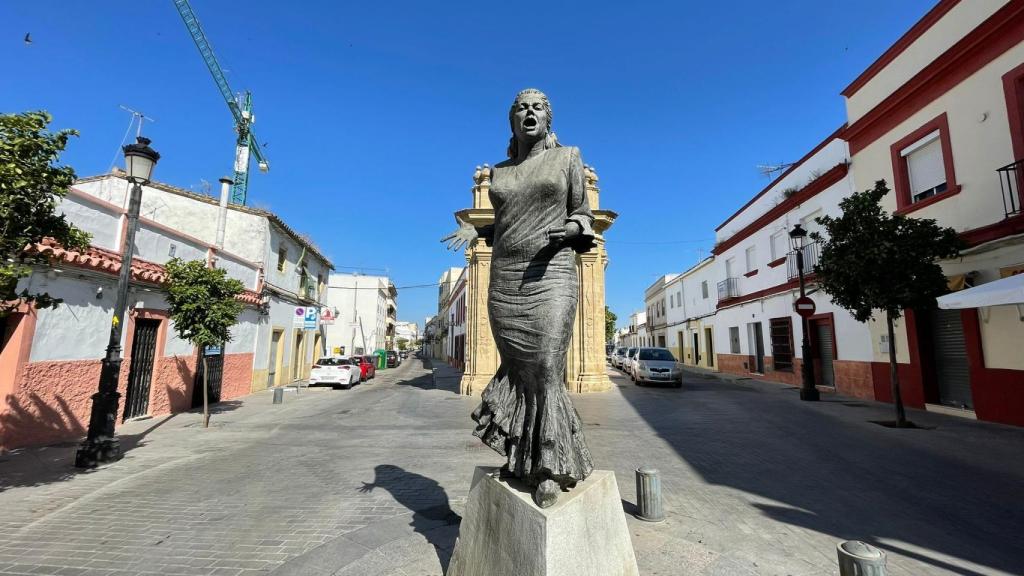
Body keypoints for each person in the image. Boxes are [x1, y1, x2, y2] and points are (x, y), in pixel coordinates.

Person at [442, 88, 595, 507]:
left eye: (537, 108)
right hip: (506, 280)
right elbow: (505, 221)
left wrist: (572, 230)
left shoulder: (568, 158)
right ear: (512, 121)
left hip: (553, 272)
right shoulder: (500, 171)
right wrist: (478, 230)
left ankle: (548, 466)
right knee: (518, 368)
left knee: (546, 367)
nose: (530, 113)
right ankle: (520, 455)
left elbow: (582, 212)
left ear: (548, 117)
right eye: (522, 109)